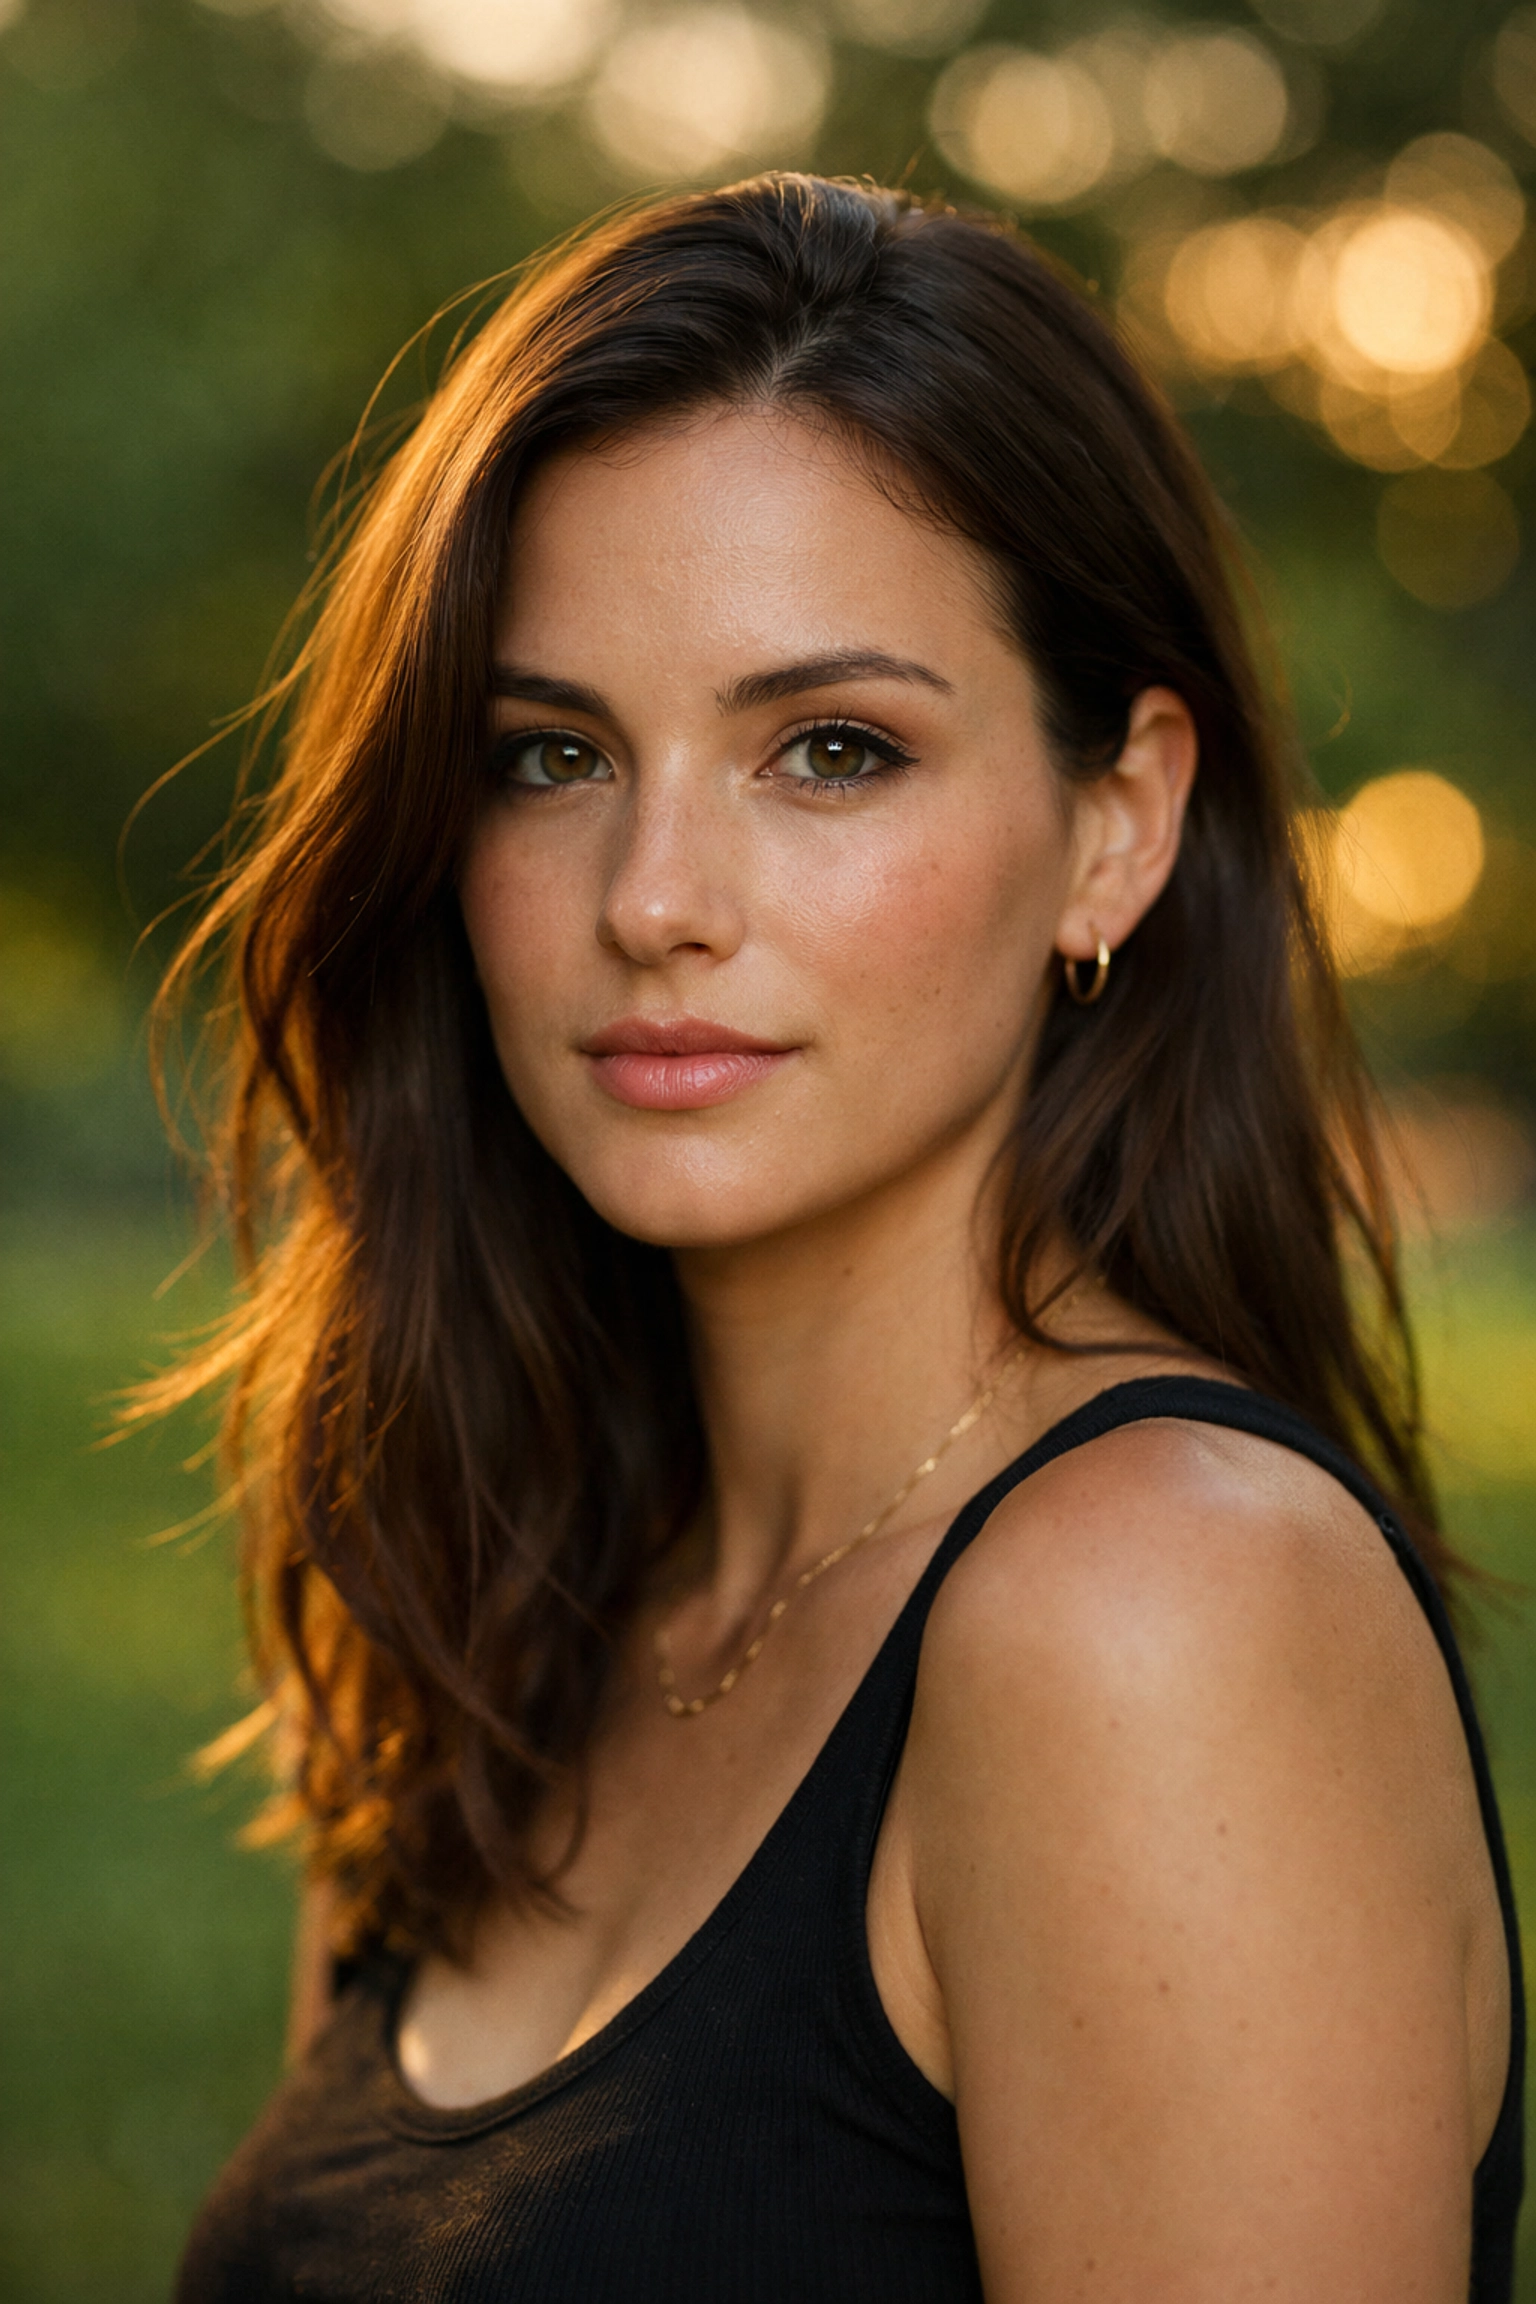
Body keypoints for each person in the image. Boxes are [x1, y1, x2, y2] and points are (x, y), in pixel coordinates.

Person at [162, 174, 1522, 2300]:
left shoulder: (1161, 1613)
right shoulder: (503, 1589)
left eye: (829, 750)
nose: (653, 896)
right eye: (549, 755)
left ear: (1117, 824)